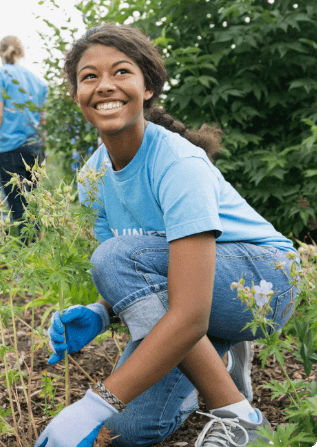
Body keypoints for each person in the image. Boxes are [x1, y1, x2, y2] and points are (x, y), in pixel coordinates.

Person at [37, 23, 298, 447]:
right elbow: (149, 279)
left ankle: (239, 418)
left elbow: (181, 303)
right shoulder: (92, 177)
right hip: (196, 290)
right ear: (76, 95)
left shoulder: (178, 164)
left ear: (149, 87)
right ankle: (219, 351)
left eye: (121, 72)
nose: (105, 85)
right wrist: (102, 312)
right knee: (128, 429)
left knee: (115, 259)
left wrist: (93, 403)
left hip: (265, 281)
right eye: (89, 76)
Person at [0, 35, 48, 238]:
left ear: (1, 53)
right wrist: (45, 153)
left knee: (20, 212)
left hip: (11, 151)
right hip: (35, 150)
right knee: (34, 209)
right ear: (21, 52)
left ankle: (27, 266)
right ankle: (39, 260)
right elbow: (43, 123)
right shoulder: (39, 83)